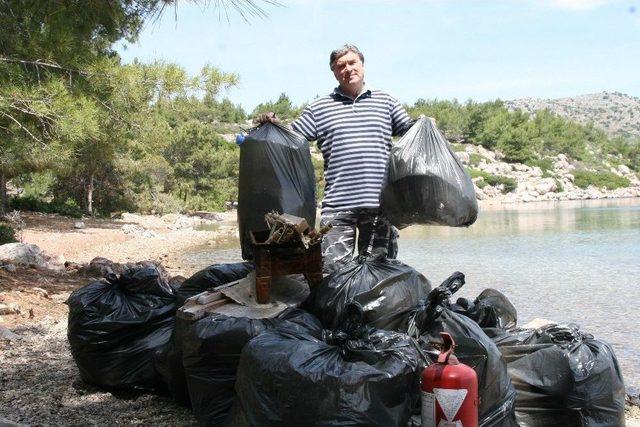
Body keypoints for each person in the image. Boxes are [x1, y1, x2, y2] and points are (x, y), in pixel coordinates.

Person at [259, 44, 416, 274]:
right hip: (338, 207)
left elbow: (410, 132)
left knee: (379, 273)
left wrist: (425, 125)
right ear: (334, 72)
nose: (347, 69)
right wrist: (273, 125)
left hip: (380, 206)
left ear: (362, 65)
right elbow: (292, 138)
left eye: (352, 63)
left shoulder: (386, 101)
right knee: (334, 274)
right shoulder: (319, 107)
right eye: (340, 66)